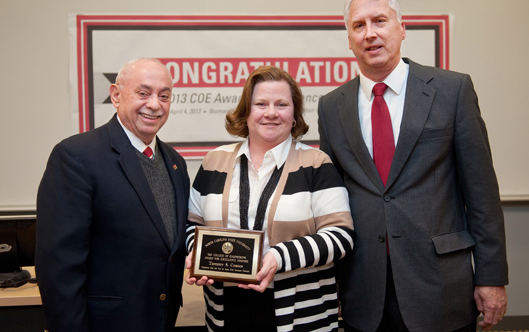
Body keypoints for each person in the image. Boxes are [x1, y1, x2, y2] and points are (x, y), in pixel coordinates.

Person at [317, 0, 508, 332]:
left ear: (402, 29)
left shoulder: (452, 91)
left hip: (439, 285)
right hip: (362, 287)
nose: (370, 33)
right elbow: (331, 199)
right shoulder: (332, 107)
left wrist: (491, 277)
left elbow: (481, 194)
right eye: (358, 26)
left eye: (380, 21)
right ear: (348, 39)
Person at [185, 65, 355, 331]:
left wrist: (278, 257)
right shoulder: (214, 162)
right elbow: (191, 225)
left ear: (295, 114)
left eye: (282, 104)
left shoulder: (316, 164)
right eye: (261, 103)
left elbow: (340, 237)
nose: (271, 113)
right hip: (225, 314)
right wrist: (197, 251)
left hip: (300, 314)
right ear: (246, 111)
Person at [35, 58, 190, 332]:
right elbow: (59, 266)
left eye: (164, 96)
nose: (154, 104)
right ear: (116, 95)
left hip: (161, 320)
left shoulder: (175, 162)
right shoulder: (76, 157)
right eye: (143, 93)